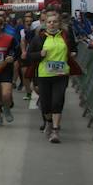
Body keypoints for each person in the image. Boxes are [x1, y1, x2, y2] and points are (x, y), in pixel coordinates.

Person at [26, 9, 77, 144]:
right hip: (44, 75)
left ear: (59, 23)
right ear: (45, 24)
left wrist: (73, 53)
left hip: (61, 74)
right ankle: (49, 121)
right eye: (49, 22)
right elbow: (29, 56)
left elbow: (74, 48)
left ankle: (55, 130)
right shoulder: (39, 38)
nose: (52, 24)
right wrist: (40, 54)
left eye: (55, 22)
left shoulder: (65, 36)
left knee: (58, 101)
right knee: (46, 104)